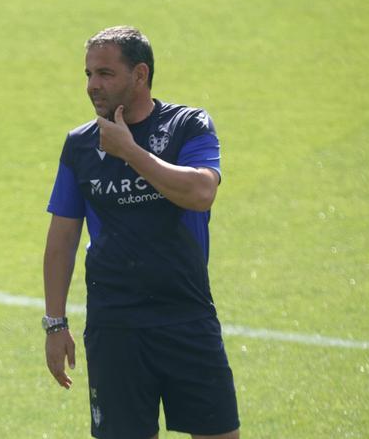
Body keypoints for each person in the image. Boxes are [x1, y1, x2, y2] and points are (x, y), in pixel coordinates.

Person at [42, 26, 240, 439]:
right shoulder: (80, 145)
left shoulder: (188, 125)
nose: (93, 85)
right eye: (88, 74)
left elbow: (201, 192)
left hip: (186, 315)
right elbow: (62, 238)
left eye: (105, 74)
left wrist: (128, 150)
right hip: (115, 326)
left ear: (140, 75)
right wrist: (55, 324)